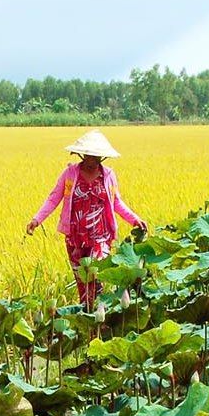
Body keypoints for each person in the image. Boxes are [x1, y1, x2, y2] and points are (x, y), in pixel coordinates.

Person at [24, 130, 143, 310]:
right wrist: (36, 219)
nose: (91, 159)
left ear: (101, 157)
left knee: (95, 275)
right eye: (88, 155)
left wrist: (134, 219)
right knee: (83, 284)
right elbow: (53, 198)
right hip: (75, 238)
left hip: (101, 237)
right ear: (82, 154)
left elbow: (116, 202)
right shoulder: (70, 174)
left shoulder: (108, 175)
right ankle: (88, 320)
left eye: (95, 156)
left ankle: (100, 315)